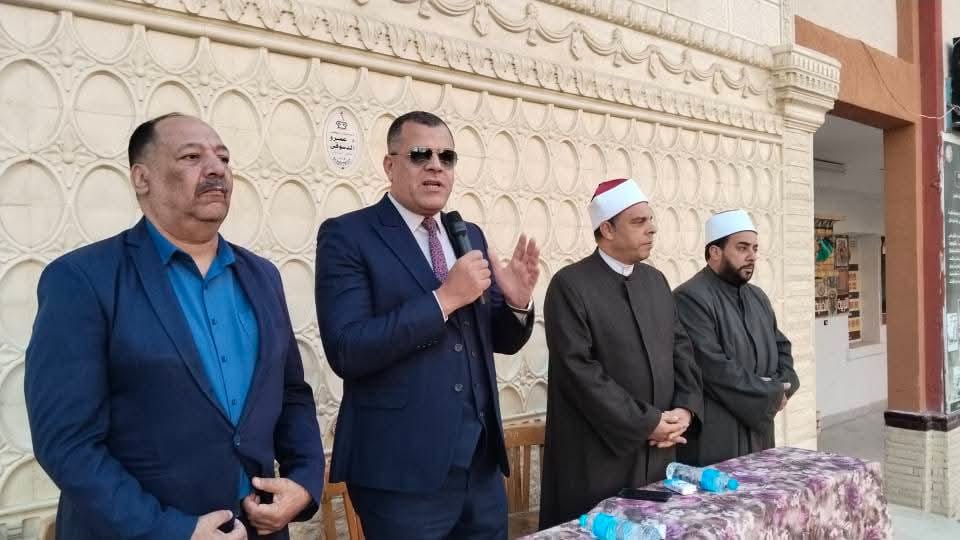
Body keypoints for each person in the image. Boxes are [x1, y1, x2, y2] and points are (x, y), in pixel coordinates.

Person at [24, 113, 325, 540]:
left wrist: (304, 480)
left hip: (258, 528)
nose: (216, 169)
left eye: (223, 157)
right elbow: (67, 443)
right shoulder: (83, 279)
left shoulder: (262, 276)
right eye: (191, 157)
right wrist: (172, 530)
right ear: (141, 178)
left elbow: (291, 393)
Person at [314, 111, 541, 539]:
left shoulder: (466, 233)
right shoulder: (349, 235)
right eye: (420, 155)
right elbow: (347, 348)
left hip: (480, 468)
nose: (435, 165)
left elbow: (499, 339)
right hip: (400, 474)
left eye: (446, 157)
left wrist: (517, 303)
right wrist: (444, 299)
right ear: (390, 165)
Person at [538, 178, 703, 530]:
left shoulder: (656, 281)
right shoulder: (570, 285)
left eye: (651, 220)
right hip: (598, 460)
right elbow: (579, 372)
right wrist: (648, 422)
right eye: (639, 221)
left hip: (659, 454)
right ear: (607, 229)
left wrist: (685, 410)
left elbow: (681, 350)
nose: (652, 228)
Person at [673, 209, 799, 466]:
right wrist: (770, 394)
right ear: (715, 252)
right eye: (742, 248)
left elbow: (781, 347)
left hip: (760, 431)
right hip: (718, 433)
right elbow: (712, 367)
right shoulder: (690, 297)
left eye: (755, 248)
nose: (752, 256)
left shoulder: (757, 297)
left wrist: (784, 386)